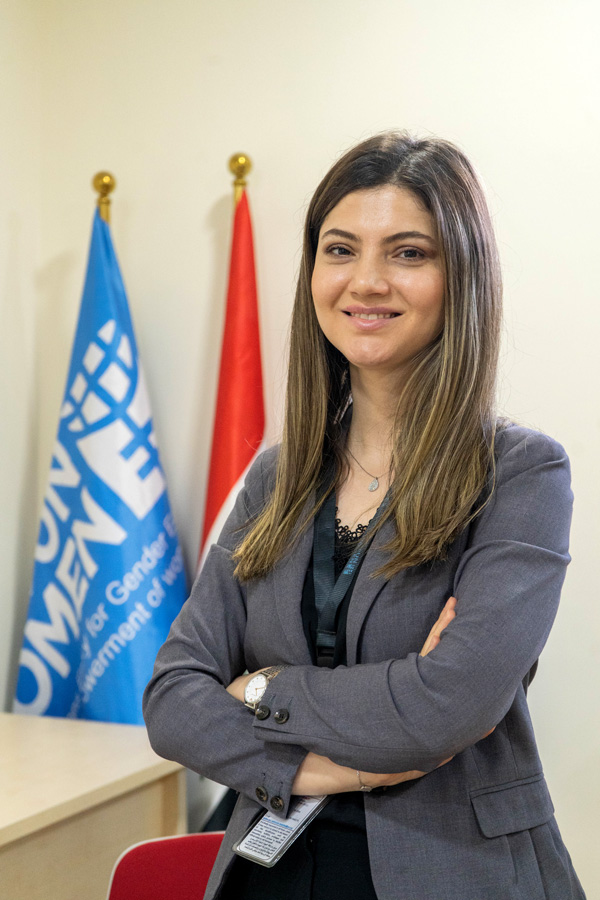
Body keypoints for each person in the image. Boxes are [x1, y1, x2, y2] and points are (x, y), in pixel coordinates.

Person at [143, 132, 586, 900]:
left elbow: (449, 705)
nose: (368, 280)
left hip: (450, 867)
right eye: (340, 249)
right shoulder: (275, 479)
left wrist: (257, 689)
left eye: (409, 253)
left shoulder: (522, 474)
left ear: (462, 276)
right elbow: (173, 699)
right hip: (267, 863)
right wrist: (343, 761)